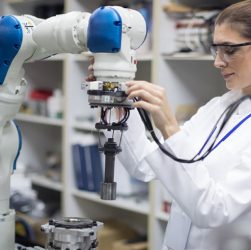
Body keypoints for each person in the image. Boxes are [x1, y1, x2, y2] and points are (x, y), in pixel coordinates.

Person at [88, 1, 251, 249]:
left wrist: (170, 127)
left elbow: (213, 210)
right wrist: (119, 102)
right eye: (216, 50)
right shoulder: (218, 107)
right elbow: (145, 165)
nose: (218, 62)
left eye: (229, 50)